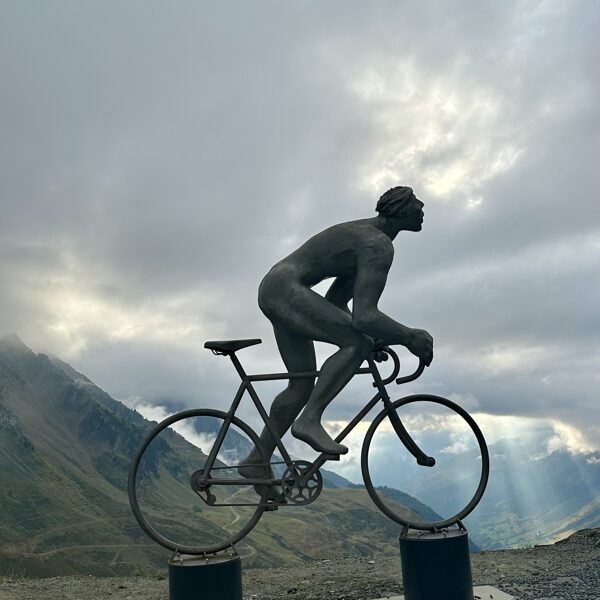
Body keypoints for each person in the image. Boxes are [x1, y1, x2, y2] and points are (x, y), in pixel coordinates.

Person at [240, 186, 433, 494]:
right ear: (402, 210)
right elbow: (364, 317)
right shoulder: (377, 244)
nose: (423, 208)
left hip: (278, 287)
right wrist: (409, 336)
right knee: (356, 344)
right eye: (417, 204)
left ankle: (256, 459)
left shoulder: (369, 238)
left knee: (301, 384)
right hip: (285, 289)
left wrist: (378, 335)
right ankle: (309, 420)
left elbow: (337, 304)